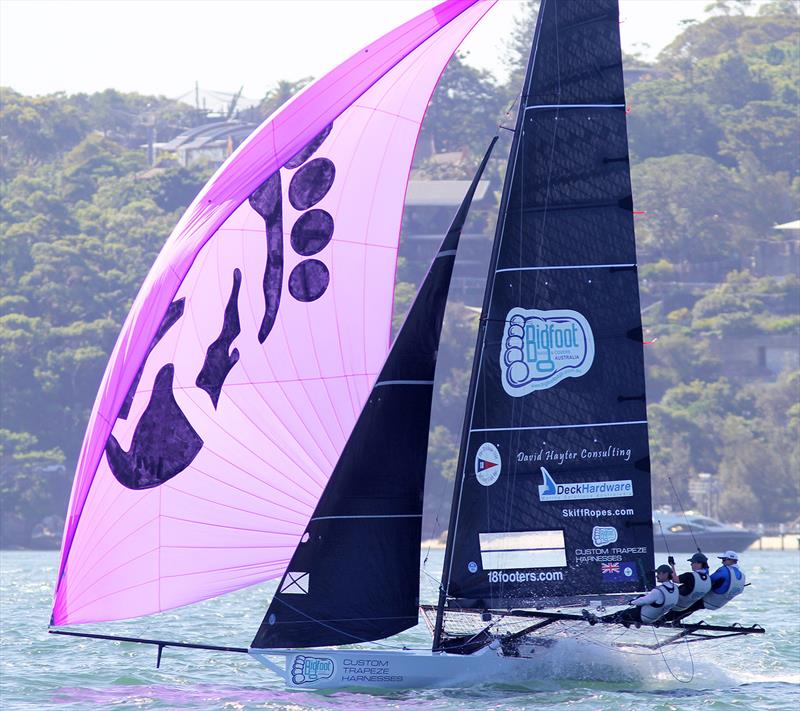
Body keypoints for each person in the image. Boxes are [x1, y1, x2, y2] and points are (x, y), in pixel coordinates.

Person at [603, 564, 679, 627]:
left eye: (658, 573)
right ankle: (630, 621)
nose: (657, 576)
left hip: (645, 617)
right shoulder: (675, 588)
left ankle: (597, 620)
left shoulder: (658, 591)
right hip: (656, 617)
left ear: (665, 574)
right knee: (641, 596)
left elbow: (643, 601)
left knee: (620, 614)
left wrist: (632, 602)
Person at [661, 552, 712, 623]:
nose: (691, 564)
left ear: (699, 563)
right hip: (687, 607)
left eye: (692, 562)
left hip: (675, 604)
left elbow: (674, 579)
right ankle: (676, 620)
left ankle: (654, 619)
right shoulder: (708, 579)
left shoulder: (689, 576)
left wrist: (672, 565)